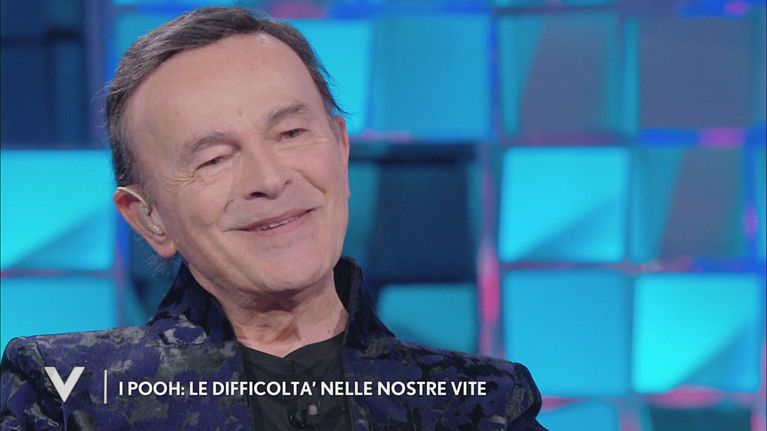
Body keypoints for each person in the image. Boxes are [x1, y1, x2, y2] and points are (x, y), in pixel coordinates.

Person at [0, 7, 546, 430]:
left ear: (340, 149)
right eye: (214, 159)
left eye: (291, 133)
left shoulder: (483, 405)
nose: (269, 177)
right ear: (148, 218)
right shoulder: (67, 396)